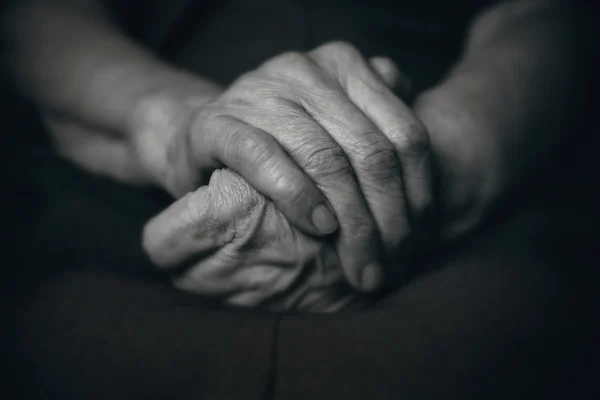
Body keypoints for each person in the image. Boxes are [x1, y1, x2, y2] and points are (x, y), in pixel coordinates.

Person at [0, 0, 597, 398]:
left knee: (514, 338)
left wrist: (442, 159)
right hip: (129, 185)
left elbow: (551, 14)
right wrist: (182, 121)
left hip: (463, 163)